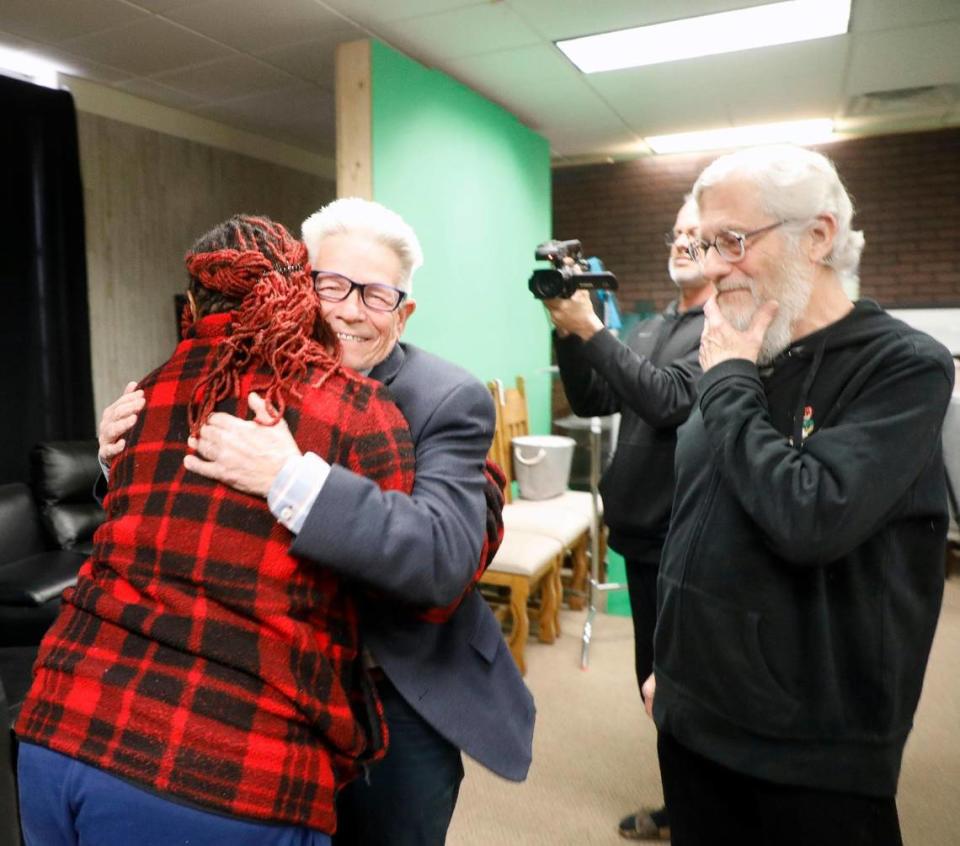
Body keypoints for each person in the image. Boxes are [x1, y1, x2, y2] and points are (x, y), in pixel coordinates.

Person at [97, 197, 534, 846]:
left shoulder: (446, 398)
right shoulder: (238, 373)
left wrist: (290, 478)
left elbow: (444, 555)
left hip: (394, 689)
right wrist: (117, 457)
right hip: (269, 689)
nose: (349, 310)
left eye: (376, 295)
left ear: (403, 312)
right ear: (295, 289)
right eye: (330, 284)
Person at [15, 215, 420, 845]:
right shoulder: (357, 410)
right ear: (298, 287)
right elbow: (408, 582)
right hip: (225, 766)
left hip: (57, 725)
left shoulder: (146, 393)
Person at [648, 145, 955, 846]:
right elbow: (695, 520)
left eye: (732, 241)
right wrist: (674, 666)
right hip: (695, 718)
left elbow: (809, 516)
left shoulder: (903, 367)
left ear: (817, 236)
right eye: (703, 243)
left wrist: (726, 381)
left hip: (811, 751)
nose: (713, 265)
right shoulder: (738, 353)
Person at [544, 198, 714, 841]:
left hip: (687, 541)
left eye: (696, 236)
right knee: (656, 688)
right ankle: (686, 809)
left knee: (690, 691)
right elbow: (594, 397)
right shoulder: (649, 327)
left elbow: (669, 400)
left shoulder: (726, 328)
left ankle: (706, 817)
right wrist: (568, 329)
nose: (681, 243)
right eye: (675, 234)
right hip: (641, 537)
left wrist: (593, 331)